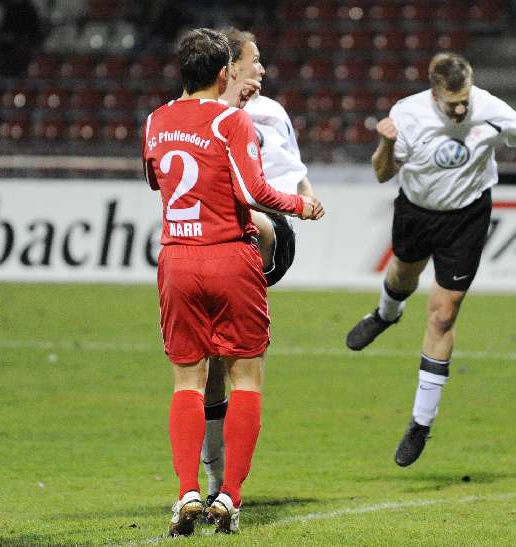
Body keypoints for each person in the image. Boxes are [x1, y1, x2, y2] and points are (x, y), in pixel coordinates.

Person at [345, 52, 516, 467]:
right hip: (416, 210)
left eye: (465, 99)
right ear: (434, 94)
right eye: (454, 104)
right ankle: (385, 314)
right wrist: (387, 142)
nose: (462, 108)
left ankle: (420, 422)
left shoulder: (491, 110)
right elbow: (382, 173)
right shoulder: (407, 115)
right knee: (402, 275)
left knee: (443, 314)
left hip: (466, 217)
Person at [141, 28, 323, 536]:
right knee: (246, 378)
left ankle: (187, 494)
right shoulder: (232, 120)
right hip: (230, 256)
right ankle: (230, 498)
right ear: (224, 73)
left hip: (177, 257)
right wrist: (301, 205)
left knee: (187, 382)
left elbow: (157, 179)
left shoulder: (155, 121)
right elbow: (253, 189)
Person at [200, 27, 320, 510]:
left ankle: (224, 487)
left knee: (249, 219)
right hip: (216, 246)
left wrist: (306, 196)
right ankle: (215, 483)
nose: (263, 70)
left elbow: (292, 170)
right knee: (211, 364)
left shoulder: (270, 113)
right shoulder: (197, 115)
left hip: (266, 230)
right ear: (228, 67)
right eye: (255, 61)